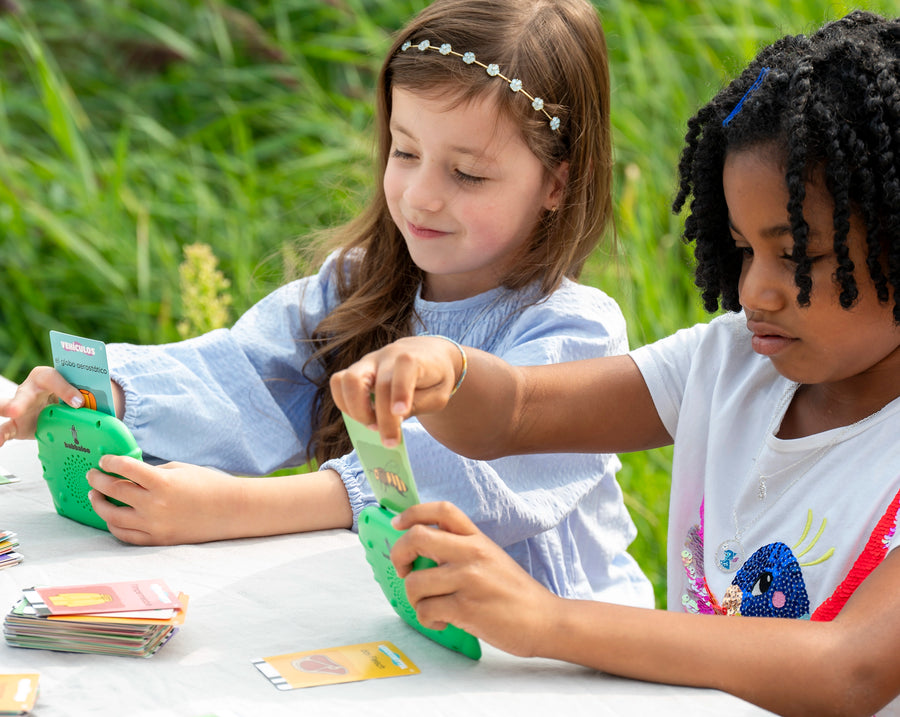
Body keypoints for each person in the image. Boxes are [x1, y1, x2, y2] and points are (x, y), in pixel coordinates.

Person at [331, 10, 900, 716]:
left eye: (798, 256)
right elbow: (515, 413)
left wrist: (544, 620)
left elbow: (850, 669)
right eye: (743, 250)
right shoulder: (727, 364)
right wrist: (446, 368)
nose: (755, 291)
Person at [0, 0, 653, 607]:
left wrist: (235, 508)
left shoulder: (576, 331)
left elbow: (460, 476)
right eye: (405, 151)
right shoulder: (355, 286)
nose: (422, 196)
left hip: (564, 663)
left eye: (467, 173)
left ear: (557, 184)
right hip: (421, 639)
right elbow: (244, 375)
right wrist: (105, 392)